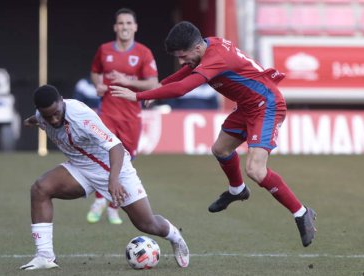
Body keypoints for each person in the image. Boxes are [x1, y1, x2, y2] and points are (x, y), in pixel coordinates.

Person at [111, 21, 317, 247]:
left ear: (197, 49)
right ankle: (237, 190)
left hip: (267, 105)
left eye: (183, 55)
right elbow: (187, 70)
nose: (182, 61)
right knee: (221, 149)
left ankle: (301, 212)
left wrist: (138, 96)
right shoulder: (206, 48)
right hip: (249, 105)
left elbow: (182, 88)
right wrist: (161, 84)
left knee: (255, 170)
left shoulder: (216, 57)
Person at [20, 85, 189, 270]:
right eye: (47, 116)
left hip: (114, 167)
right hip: (80, 168)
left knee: (146, 224)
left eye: (56, 113)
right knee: (40, 188)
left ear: (61, 100)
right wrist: (31, 120)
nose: (53, 119)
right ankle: (44, 256)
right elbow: (38, 118)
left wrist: (114, 180)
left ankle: (174, 236)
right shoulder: (42, 115)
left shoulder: (80, 116)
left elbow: (115, 146)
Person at [88, 8, 159, 225]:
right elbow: (95, 71)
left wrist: (127, 81)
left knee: (126, 161)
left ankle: (112, 207)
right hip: (107, 113)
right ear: (115, 27)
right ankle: (101, 200)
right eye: (121, 23)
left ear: (135, 27)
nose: (125, 27)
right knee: (104, 156)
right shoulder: (104, 50)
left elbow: (153, 83)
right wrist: (98, 85)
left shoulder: (144, 53)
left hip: (131, 117)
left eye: (128, 23)